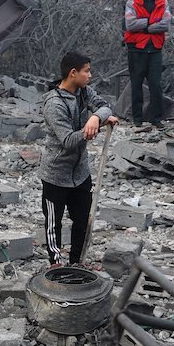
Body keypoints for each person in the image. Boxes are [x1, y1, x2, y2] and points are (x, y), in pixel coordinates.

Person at [42, 51, 117, 268]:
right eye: (87, 71)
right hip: (56, 173)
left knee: (83, 218)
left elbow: (104, 106)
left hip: (80, 172)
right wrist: (93, 127)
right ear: (73, 73)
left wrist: (96, 117)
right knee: (53, 222)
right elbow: (67, 139)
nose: (90, 75)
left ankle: (76, 262)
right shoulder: (54, 103)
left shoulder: (84, 91)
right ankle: (55, 263)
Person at [123, 0, 172, 128]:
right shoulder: (132, 2)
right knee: (136, 85)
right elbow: (130, 24)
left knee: (156, 85)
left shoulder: (162, 2)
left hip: (155, 48)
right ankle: (137, 119)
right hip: (136, 49)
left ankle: (155, 119)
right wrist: (152, 23)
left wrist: (143, 25)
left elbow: (166, 24)